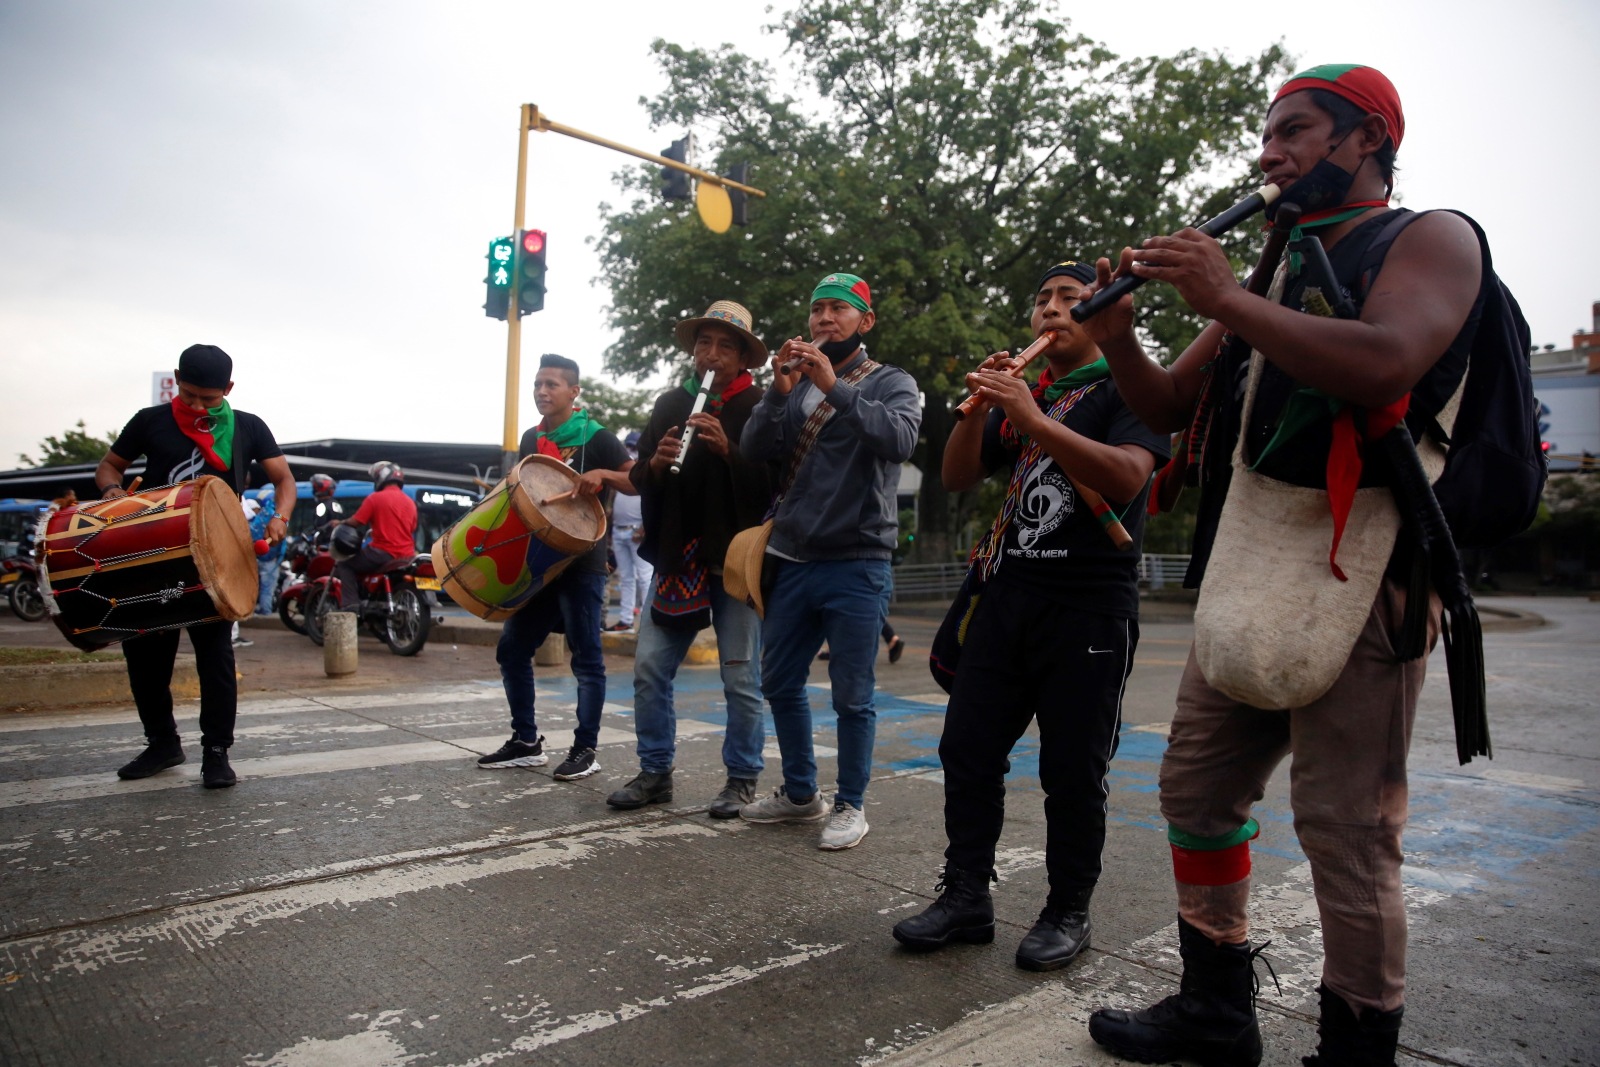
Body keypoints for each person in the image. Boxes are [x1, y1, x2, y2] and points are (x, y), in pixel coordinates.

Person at [1079, 66, 1484, 1067]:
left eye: (1295, 131)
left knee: (1347, 828)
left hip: (1367, 567)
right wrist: (1120, 335)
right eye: (1267, 136)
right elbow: (1172, 407)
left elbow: (1387, 357)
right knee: (1195, 789)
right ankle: (1216, 1008)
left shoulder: (1430, 237)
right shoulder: (1276, 263)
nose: (1270, 153)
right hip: (1256, 561)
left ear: (1365, 140)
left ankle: (1356, 1048)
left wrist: (1222, 291)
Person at [890, 260, 1169, 971]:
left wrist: (1030, 417)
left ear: (1101, 312)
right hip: (1006, 597)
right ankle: (965, 897)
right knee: (967, 748)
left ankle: (1067, 908)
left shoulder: (1125, 386)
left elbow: (1131, 475)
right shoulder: (1031, 390)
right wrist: (984, 408)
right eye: (1042, 298)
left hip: (1088, 609)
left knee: (1073, 769)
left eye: (1070, 299)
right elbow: (956, 474)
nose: (1051, 309)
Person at [738, 273, 921, 850]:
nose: (823, 319)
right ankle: (800, 794)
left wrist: (835, 387)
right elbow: (753, 452)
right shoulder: (796, 388)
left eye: (838, 309)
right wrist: (775, 391)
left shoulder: (893, 381)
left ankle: (850, 803)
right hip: (792, 556)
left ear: (864, 322)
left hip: (858, 559)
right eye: (817, 309)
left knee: (852, 694)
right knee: (780, 680)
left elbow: (899, 441)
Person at [94, 344, 295, 788]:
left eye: (208, 398)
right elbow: (109, 466)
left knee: (215, 656)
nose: (197, 405)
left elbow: (283, 479)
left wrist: (280, 517)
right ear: (176, 379)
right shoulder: (150, 421)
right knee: (145, 654)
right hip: (153, 555)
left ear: (228, 389)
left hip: (217, 560)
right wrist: (112, 493)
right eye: (188, 395)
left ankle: (217, 751)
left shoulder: (247, 427)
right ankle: (162, 743)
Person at [605, 301, 773, 815]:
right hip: (681, 557)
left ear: (744, 356)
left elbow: (775, 485)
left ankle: (742, 777)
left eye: (725, 346)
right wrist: (653, 464)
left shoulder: (762, 407)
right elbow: (639, 480)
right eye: (704, 344)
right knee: (650, 669)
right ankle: (655, 772)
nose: (712, 355)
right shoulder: (670, 403)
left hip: (735, 559)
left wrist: (731, 452)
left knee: (740, 678)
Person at [478, 354, 635, 781]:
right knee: (512, 649)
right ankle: (526, 742)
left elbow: (637, 479)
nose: (542, 392)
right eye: (537, 384)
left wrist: (602, 473)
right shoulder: (532, 437)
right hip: (539, 563)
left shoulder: (597, 437)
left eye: (551, 385)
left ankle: (586, 749)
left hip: (583, 562)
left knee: (586, 659)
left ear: (573, 392)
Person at [332, 461, 418, 612]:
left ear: (380, 478)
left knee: (345, 563)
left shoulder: (375, 498)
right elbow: (412, 527)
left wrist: (340, 522)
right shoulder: (410, 502)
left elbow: (357, 521)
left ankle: (351, 604)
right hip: (407, 555)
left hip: (382, 552)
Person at [608, 431, 653, 632]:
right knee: (626, 578)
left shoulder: (645, 472)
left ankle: (646, 624)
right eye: (628, 447)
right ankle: (626, 621)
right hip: (619, 531)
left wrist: (644, 528)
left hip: (636, 531)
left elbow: (652, 503)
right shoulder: (622, 473)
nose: (630, 451)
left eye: (634, 447)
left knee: (644, 577)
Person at [250, 483, 284, 617]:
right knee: (267, 588)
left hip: (258, 557)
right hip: (270, 559)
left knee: (256, 586)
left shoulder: (259, 517)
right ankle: (266, 612)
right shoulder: (276, 517)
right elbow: (281, 540)